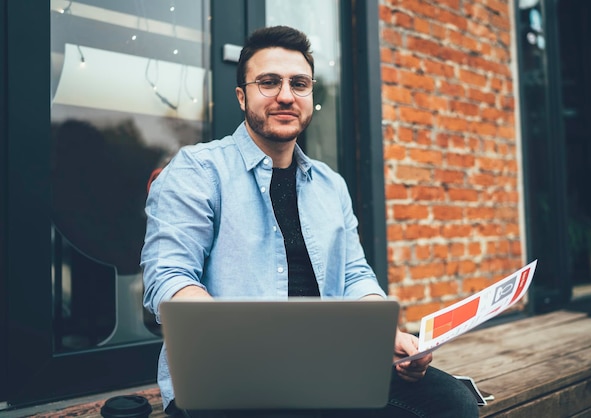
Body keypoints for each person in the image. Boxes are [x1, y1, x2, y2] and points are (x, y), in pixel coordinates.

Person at [141, 25, 479, 418]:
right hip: (228, 378)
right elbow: (169, 276)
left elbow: (354, 275)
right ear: (241, 95)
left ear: (310, 95)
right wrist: (230, 343)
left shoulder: (330, 185)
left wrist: (390, 336)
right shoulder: (197, 170)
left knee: (452, 402)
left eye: (298, 84)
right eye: (269, 82)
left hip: (326, 368)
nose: (286, 95)